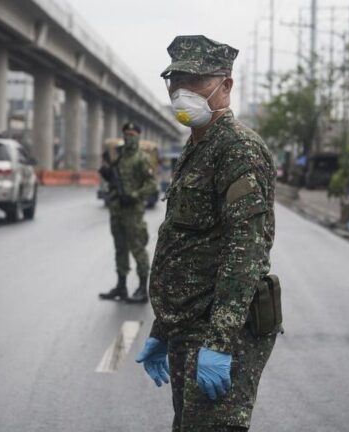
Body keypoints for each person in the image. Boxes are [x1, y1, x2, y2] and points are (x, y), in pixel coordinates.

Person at [135, 35, 277, 431]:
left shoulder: (237, 150)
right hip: (187, 328)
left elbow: (245, 253)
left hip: (218, 331)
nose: (182, 95)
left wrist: (218, 342)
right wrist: (163, 327)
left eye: (195, 84)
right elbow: (186, 244)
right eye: (175, 84)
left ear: (225, 85)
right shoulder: (197, 146)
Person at [98, 122, 157, 304]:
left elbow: (152, 184)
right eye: (126, 134)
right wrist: (108, 175)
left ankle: (141, 288)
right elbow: (115, 179)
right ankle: (121, 286)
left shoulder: (142, 158)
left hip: (133, 211)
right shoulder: (121, 157)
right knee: (120, 248)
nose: (128, 137)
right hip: (117, 209)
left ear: (138, 136)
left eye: (132, 134)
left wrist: (134, 196)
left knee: (138, 249)